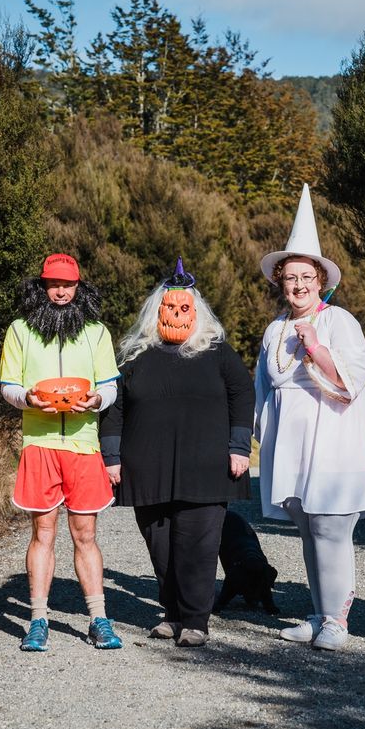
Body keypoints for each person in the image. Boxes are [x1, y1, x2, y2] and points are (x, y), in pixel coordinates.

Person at [255, 184, 365, 651]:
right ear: (281, 282)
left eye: (306, 276)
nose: (298, 285)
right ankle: (318, 613)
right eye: (290, 278)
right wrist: (261, 438)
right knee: (308, 528)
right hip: (291, 444)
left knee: (331, 527)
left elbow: (353, 384)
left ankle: (338, 622)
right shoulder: (274, 330)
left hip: (331, 441)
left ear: (320, 280)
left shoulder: (339, 321)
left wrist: (317, 349)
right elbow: (263, 387)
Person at [100, 258, 255, 647]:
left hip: (205, 465)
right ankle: (171, 613)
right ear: (157, 310)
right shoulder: (135, 356)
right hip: (146, 466)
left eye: (185, 308)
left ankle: (196, 621)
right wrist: (112, 456)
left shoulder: (217, 351)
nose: (177, 313)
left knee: (199, 545)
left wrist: (239, 446)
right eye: (169, 307)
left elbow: (243, 393)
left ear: (196, 311)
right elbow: (114, 407)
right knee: (161, 545)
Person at [0, 253, 123, 651]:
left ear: (79, 287)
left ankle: (99, 619)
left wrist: (96, 401)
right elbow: (8, 387)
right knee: (43, 533)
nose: (61, 292)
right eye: (54, 284)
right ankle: (38, 620)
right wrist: (31, 400)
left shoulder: (97, 331)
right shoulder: (19, 330)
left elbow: (110, 387)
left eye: (68, 285)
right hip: (40, 444)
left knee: (85, 534)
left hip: (84, 445)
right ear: (42, 286)